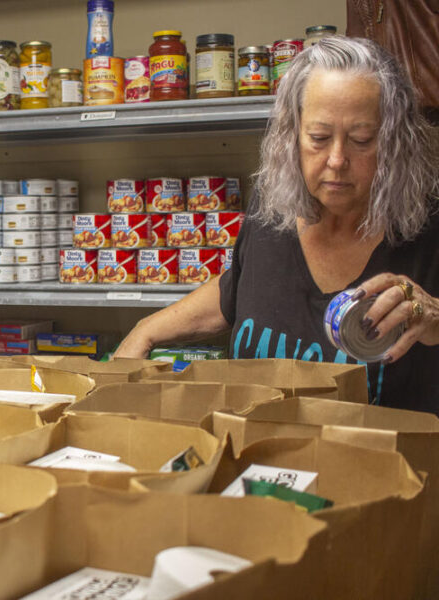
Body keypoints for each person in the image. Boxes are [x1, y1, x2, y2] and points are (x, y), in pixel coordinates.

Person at [115, 36, 439, 414]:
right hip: (257, 458)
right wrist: (146, 329)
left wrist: (435, 315)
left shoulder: (428, 227)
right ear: (293, 137)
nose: (336, 159)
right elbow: (237, 288)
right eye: (318, 138)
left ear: (394, 142)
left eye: (361, 140)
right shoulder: (272, 205)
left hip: (379, 466)